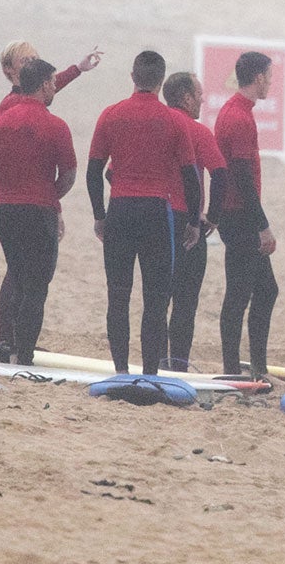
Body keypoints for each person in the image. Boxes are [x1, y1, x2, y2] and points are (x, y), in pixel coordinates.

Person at [87, 50, 200, 377]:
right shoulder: (175, 121)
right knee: (155, 299)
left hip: (120, 210)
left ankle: (121, 370)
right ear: (161, 80)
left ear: (133, 77)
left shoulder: (111, 115)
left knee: (118, 296)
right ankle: (150, 372)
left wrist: (99, 214)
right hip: (156, 214)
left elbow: (94, 172)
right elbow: (190, 178)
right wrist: (193, 220)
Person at [0, 58, 77, 366]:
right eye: (52, 82)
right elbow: (68, 174)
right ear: (42, 85)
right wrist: (50, 193)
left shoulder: (0, 123)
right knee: (36, 287)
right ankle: (23, 354)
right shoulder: (56, 126)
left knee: (17, 276)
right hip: (40, 210)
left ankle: (7, 343)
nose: (54, 87)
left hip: (7, 208)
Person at [213, 52, 280, 378]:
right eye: (269, 76)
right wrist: (262, 225)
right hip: (239, 215)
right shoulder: (238, 118)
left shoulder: (237, 111)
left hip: (237, 214)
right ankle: (236, 369)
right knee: (240, 292)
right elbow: (240, 175)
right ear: (257, 78)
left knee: (264, 289)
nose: (271, 82)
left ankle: (256, 366)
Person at [161, 71, 228, 373]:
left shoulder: (156, 126)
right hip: (187, 222)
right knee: (185, 302)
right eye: (199, 93)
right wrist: (212, 217)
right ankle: (178, 365)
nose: (203, 98)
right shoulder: (198, 132)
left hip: (155, 218)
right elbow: (221, 175)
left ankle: (155, 362)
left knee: (156, 297)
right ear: (186, 98)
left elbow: (112, 172)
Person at [0, 40, 102, 113]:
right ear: (8, 68)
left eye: (34, 59)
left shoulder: (38, 92)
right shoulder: (8, 105)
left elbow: (53, 83)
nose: (31, 64)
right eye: (25, 61)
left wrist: (78, 68)